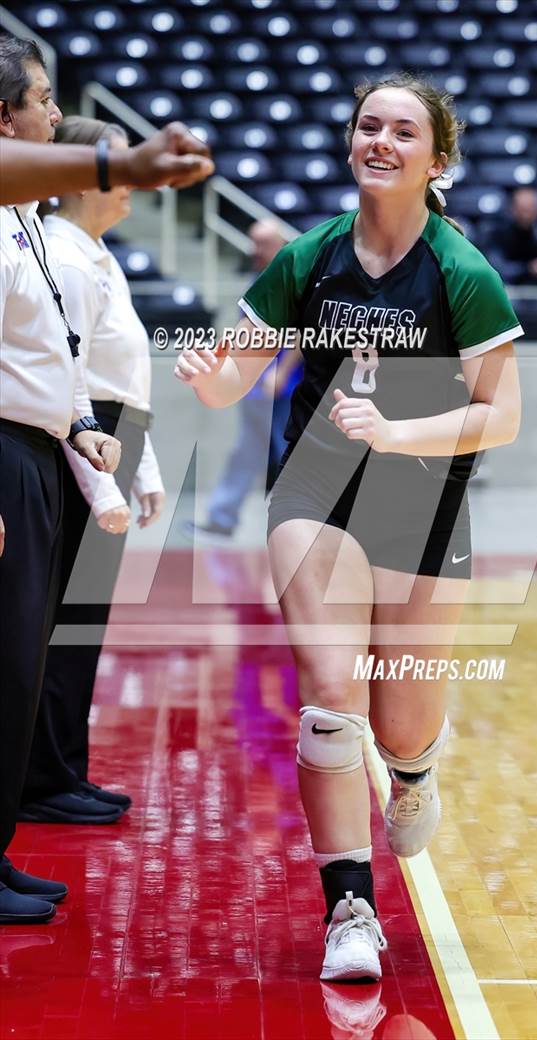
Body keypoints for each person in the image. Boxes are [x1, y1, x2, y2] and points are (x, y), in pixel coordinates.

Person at [174, 73, 522, 981]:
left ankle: (412, 775)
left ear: (436, 160)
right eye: (368, 125)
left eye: (403, 131)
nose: (381, 140)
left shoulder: (463, 271)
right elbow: (232, 382)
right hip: (316, 496)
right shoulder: (308, 258)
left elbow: (503, 415)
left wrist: (400, 433)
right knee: (332, 701)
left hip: (422, 505)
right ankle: (350, 909)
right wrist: (209, 374)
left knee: (402, 723)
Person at [0, 35, 121, 923]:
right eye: (42, 101)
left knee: (18, 664)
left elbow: (50, 352)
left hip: (39, 451)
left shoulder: (26, 222)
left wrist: (78, 425)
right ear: (5, 120)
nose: (54, 115)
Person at [17, 115, 166, 825]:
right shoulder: (68, 260)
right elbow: (75, 383)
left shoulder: (97, 256)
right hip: (87, 445)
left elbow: (126, 385)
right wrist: (107, 478)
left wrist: (145, 468)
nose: (129, 183)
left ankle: (62, 768)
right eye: (112, 165)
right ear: (81, 179)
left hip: (112, 436)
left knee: (81, 626)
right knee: (62, 627)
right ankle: (45, 777)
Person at [186, 220, 302, 541]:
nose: (256, 250)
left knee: (285, 455)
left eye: (263, 243)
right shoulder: (257, 276)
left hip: (283, 388)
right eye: (254, 242)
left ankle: (297, 525)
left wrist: (282, 372)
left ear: (279, 242)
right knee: (247, 452)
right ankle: (222, 518)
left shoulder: (293, 272)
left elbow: (303, 333)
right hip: (253, 386)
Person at [0, 121, 214, 205]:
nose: (56, 112)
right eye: (44, 100)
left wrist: (128, 165)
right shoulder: (68, 257)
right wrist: (127, 166)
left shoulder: (31, 220)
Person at [491, 187, 537, 284]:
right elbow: (497, 268)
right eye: (523, 209)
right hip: (510, 287)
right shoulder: (499, 231)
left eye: (532, 208)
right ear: (513, 209)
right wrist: (529, 268)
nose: (527, 214)